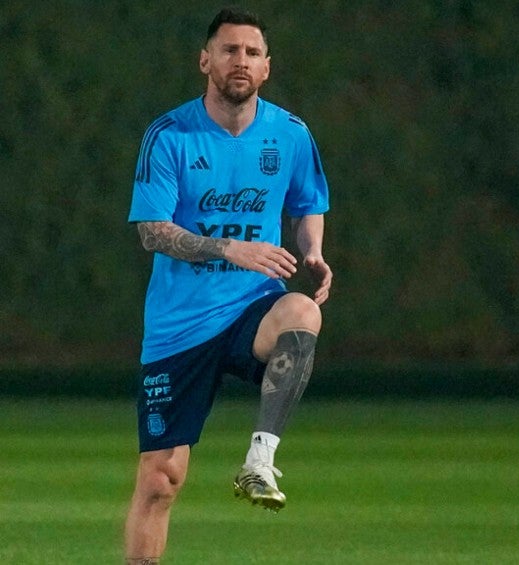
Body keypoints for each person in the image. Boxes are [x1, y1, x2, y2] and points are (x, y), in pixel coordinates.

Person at [124, 7, 332, 563]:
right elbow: (151, 232)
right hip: (180, 325)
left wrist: (311, 250)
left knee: (302, 314)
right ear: (205, 60)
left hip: (250, 308)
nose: (241, 61)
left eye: (252, 52)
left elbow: (309, 201)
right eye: (230, 50)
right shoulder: (169, 135)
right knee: (160, 480)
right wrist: (227, 248)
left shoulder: (290, 134)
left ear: (267, 68)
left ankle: (260, 459)